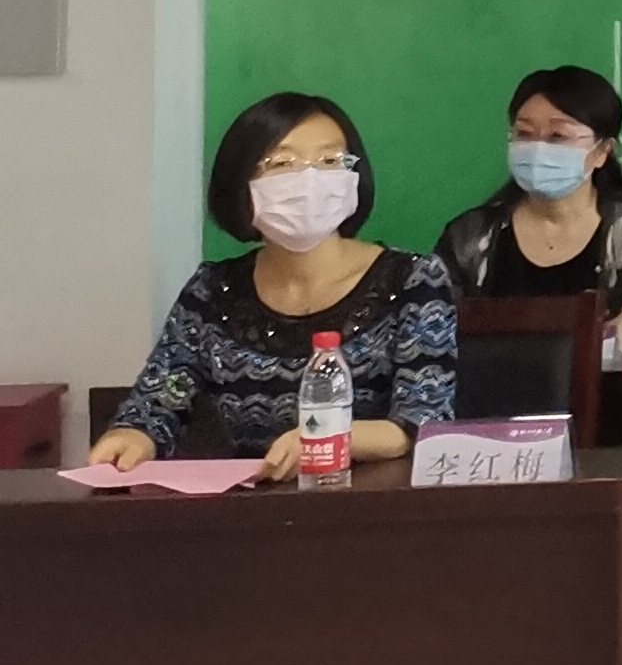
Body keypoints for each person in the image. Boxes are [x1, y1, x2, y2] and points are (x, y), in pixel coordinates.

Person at [93, 94, 455, 479]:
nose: (310, 180)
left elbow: (424, 421)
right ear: (241, 184)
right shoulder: (214, 291)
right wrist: (132, 436)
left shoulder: (413, 279)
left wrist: (329, 439)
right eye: (283, 163)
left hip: (377, 498)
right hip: (255, 501)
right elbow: (161, 397)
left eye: (330, 161)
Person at [435, 64, 622, 355]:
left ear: (602, 151)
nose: (537, 148)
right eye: (525, 133)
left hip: (602, 380)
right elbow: (434, 323)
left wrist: (568, 360)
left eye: (558, 136)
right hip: (491, 380)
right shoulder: (470, 235)